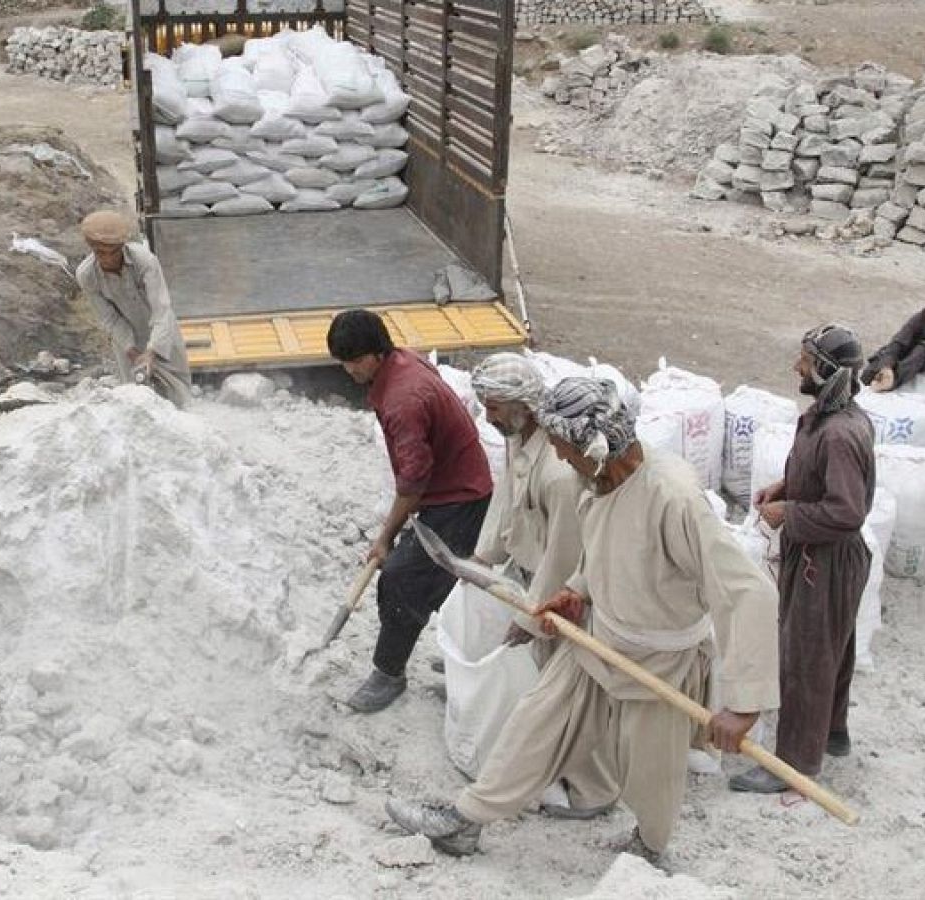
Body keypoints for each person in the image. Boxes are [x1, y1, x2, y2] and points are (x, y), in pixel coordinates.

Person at [384, 377, 780, 863]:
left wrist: (745, 704)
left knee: (650, 775)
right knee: (534, 723)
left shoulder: (672, 496)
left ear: (593, 446)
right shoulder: (596, 480)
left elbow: (747, 591)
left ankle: (650, 849)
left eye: (564, 450)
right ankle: (466, 822)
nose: (562, 460)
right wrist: (576, 591)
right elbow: (604, 552)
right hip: (597, 641)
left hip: (659, 661)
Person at [732, 325, 876, 793]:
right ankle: (832, 733)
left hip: (827, 561)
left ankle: (794, 763)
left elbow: (846, 512)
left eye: (806, 361)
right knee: (833, 647)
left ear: (827, 371)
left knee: (807, 658)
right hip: (820, 555)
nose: (797, 367)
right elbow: (819, 480)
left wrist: (789, 512)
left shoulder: (840, 434)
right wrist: (786, 487)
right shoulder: (824, 418)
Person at [327, 309, 492, 713]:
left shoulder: (403, 399)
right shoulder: (401, 362)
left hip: (457, 498)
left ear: (376, 354)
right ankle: (465, 662)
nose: (348, 370)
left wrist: (384, 538)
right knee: (446, 582)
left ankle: (388, 674)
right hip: (451, 488)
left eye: (354, 361)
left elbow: (413, 483)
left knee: (402, 581)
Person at [467, 353, 586, 658]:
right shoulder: (517, 436)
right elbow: (507, 493)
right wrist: (482, 558)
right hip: (529, 573)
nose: (488, 419)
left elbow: (565, 554)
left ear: (524, 406)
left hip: (561, 592)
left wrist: (530, 617)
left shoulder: (557, 472)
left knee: (557, 661)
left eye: (493, 409)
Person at [74, 210, 192, 407]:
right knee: (136, 398)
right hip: (128, 340)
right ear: (92, 249)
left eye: (113, 252)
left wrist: (153, 351)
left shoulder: (144, 261)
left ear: (122, 247)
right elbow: (109, 318)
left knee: (177, 392)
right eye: (100, 253)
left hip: (161, 333)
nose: (107, 259)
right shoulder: (86, 275)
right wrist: (131, 350)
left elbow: (161, 309)